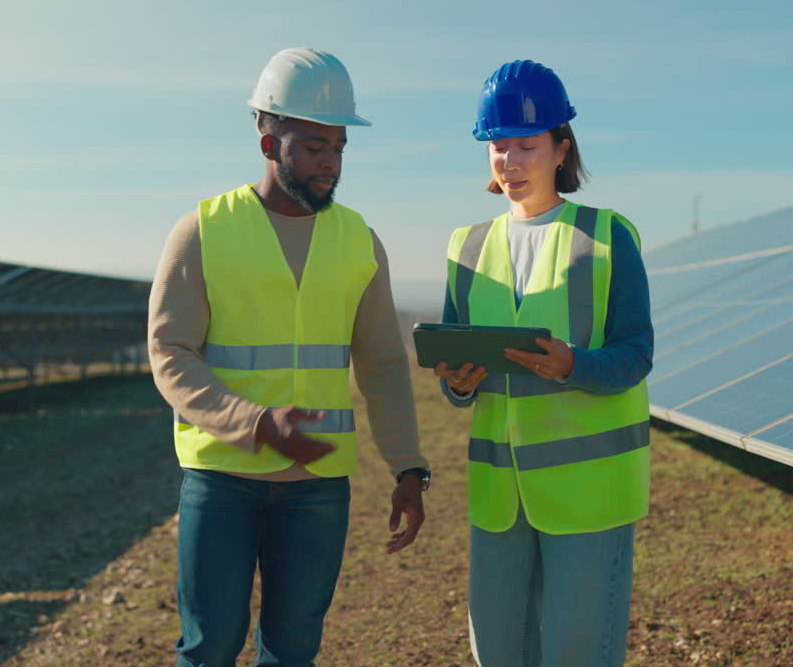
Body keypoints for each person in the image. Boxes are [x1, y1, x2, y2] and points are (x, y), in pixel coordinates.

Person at [149, 47, 431, 667]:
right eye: (312, 147)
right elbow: (171, 352)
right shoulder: (202, 231)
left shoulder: (359, 240)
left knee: (294, 650)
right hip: (221, 479)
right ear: (267, 138)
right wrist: (252, 423)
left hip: (318, 488)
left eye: (338, 149)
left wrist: (409, 466)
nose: (329, 163)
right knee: (209, 646)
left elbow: (383, 364)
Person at [434, 59, 654, 667]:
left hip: (590, 494)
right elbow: (457, 373)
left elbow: (636, 355)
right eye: (497, 147)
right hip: (500, 495)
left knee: (576, 653)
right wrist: (456, 383)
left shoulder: (608, 237)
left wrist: (572, 366)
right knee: (498, 652)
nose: (510, 161)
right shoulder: (466, 248)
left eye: (526, 145)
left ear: (562, 147)